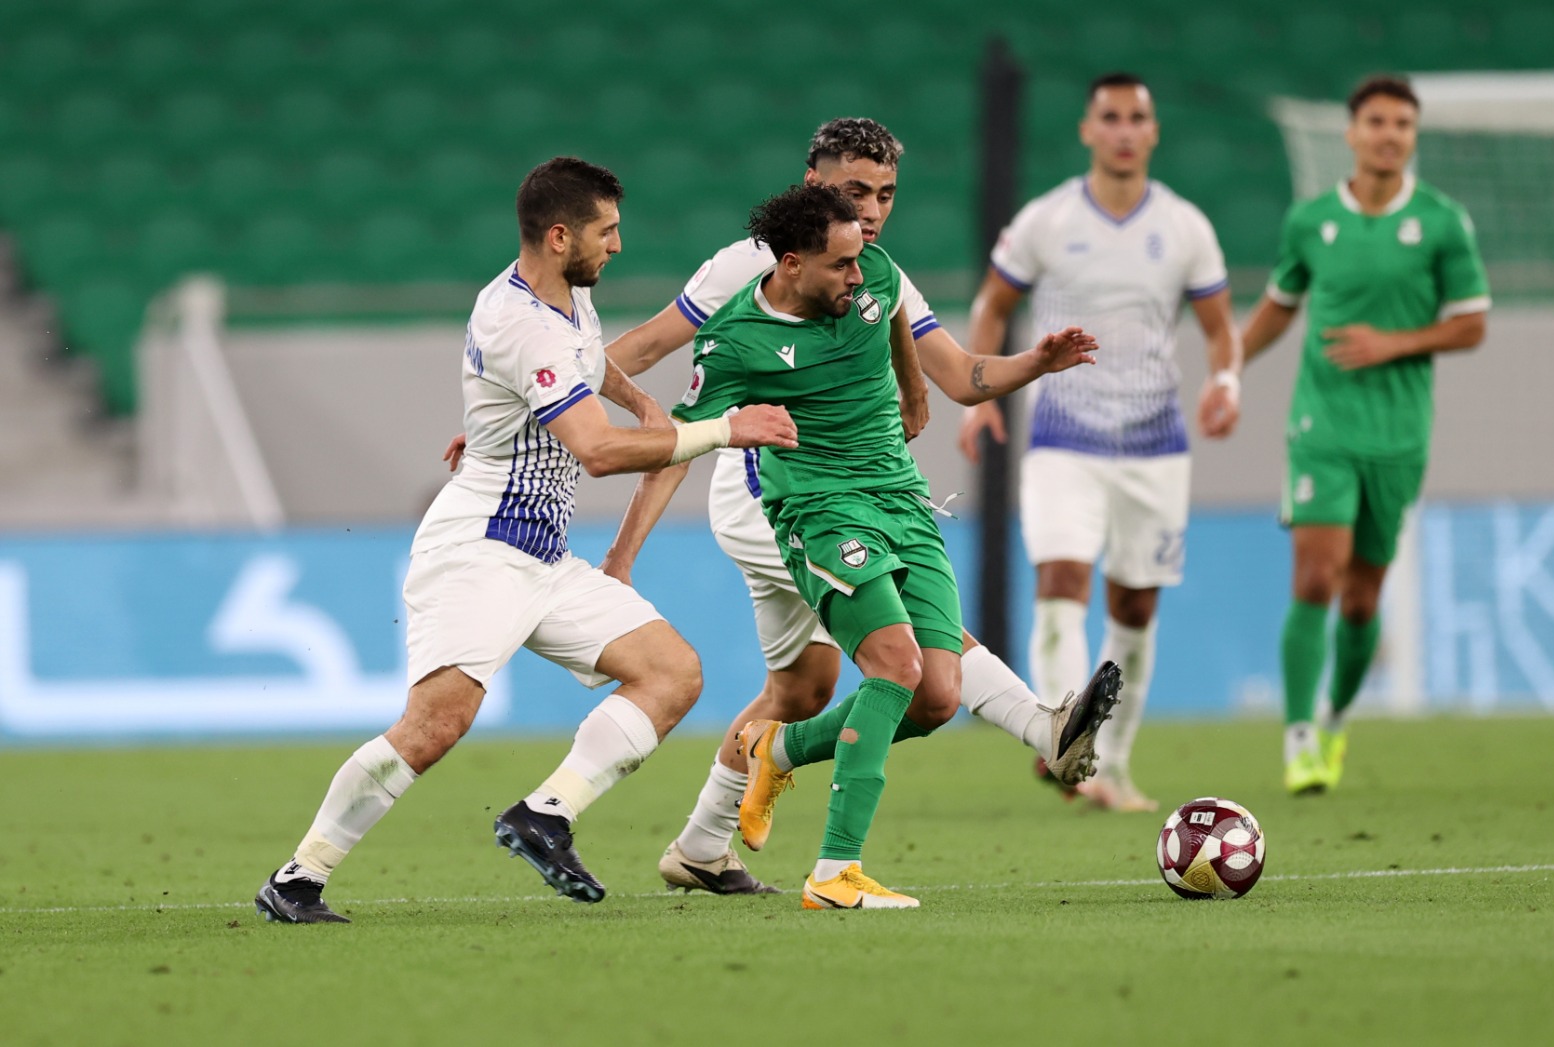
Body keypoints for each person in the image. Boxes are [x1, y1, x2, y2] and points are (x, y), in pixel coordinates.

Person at [252, 157, 797, 923]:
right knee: (434, 725)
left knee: (671, 672)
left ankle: (546, 813)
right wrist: (722, 430)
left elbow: (588, 365)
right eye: (606, 232)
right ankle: (298, 877)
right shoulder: (521, 325)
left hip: (542, 554)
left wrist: (640, 403)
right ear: (559, 235)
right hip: (479, 549)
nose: (617, 246)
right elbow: (596, 451)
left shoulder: (566, 299)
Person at [592, 118, 1122, 895]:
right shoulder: (746, 268)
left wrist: (928, 378)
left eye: (885, 195)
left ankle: (703, 842)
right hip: (774, 495)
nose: (871, 212)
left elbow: (948, 367)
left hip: (870, 487)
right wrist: (548, 403)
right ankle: (1037, 725)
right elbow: (647, 354)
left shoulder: (868, 265)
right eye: (854, 192)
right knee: (898, 655)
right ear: (813, 184)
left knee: (807, 690)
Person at [960, 73, 1243, 812]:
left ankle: (1111, 767)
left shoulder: (1184, 227)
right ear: (1088, 130)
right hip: (1063, 437)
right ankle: (1065, 740)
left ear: (1153, 132)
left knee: (1135, 606)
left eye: (1135, 118)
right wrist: (978, 396)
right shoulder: (1047, 219)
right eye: (1109, 117)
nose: (1123, 130)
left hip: (1154, 443)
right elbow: (992, 303)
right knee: (1060, 580)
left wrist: (1226, 381)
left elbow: (1221, 329)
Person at [1240, 75, 1489, 794]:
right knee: (1317, 577)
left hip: (1399, 434)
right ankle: (1296, 738)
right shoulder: (1311, 220)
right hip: (1321, 426)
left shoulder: (1442, 221)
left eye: (1402, 124)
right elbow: (1280, 303)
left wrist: (1394, 343)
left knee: (1361, 598)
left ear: (1413, 136)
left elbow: (1472, 322)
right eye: (1377, 122)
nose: (1389, 135)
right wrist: (1227, 369)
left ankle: (1335, 719)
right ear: (1351, 133)